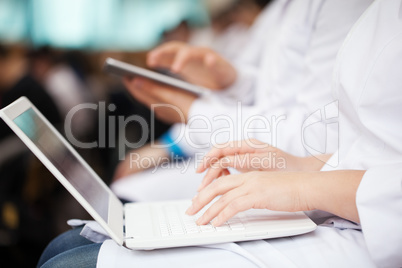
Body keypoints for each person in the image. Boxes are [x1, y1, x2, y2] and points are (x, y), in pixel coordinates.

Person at [37, 0, 402, 266]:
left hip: (369, 231)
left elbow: (311, 124)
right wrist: (232, 83)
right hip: (332, 195)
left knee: (68, 259)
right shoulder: (312, 13)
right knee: (70, 246)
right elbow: (352, 132)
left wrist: (187, 123)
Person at [111, 0, 373, 202]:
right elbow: (272, 96)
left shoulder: (341, 8)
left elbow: (316, 140)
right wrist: (232, 82)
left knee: (120, 202)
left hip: (290, 181)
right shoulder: (277, 13)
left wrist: (190, 118)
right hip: (254, 159)